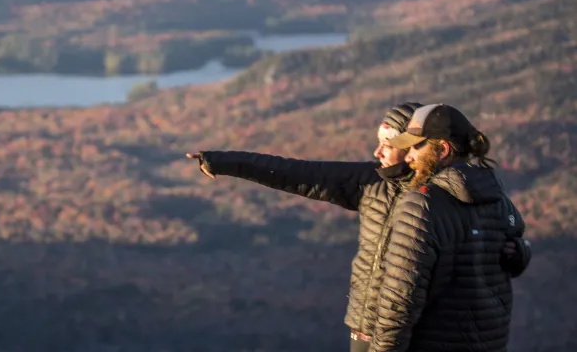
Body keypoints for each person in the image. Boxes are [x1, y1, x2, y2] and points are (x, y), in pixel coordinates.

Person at [186, 102, 530, 352]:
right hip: (380, 328)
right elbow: (297, 173)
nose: (380, 151)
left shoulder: (436, 199)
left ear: (427, 148)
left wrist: (519, 253)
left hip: (404, 332)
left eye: (393, 144)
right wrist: (224, 161)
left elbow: (405, 294)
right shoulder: (373, 182)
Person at [366, 103, 527, 351]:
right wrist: (520, 250)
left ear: (442, 150)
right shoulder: (498, 199)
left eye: (416, 147)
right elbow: (516, 242)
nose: (408, 157)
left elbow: (399, 301)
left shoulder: (421, 205)